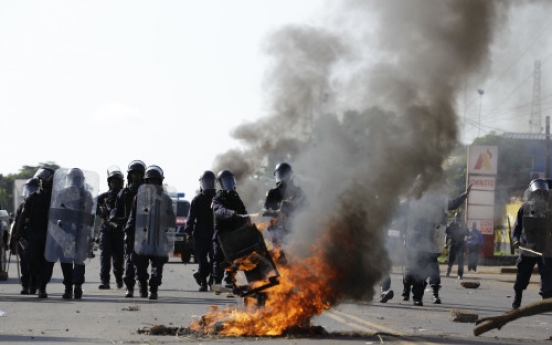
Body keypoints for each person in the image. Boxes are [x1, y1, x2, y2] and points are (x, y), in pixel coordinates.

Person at [402, 176, 470, 306]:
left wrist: (464, 195)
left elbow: (451, 204)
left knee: (427, 270)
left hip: (428, 241)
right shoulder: (411, 201)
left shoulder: (435, 200)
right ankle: (413, 294)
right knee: (413, 270)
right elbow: (399, 213)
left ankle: (419, 296)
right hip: (414, 242)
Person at [125, 165, 175, 299]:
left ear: (160, 182)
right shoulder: (138, 198)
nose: (153, 184)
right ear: (146, 182)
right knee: (140, 265)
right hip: (142, 237)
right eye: (150, 181)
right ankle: (142, 285)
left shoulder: (166, 199)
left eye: (155, 181)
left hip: (158, 238)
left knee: (157, 267)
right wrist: (128, 233)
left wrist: (168, 230)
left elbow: (171, 219)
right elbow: (132, 217)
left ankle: (154, 289)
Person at [46, 168, 96, 299]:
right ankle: (68, 287)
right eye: (73, 179)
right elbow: (55, 211)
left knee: (79, 259)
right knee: (66, 260)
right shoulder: (62, 194)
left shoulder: (87, 195)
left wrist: (90, 235)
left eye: (77, 179)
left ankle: (78, 285)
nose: (75, 182)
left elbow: (90, 214)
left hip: (81, 231)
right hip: (66, 231)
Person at [9, 167, 55, 298]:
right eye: (40, 178)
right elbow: (22, 215)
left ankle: (42, 286)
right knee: (32, 260)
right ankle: (33, 280)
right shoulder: (32, 198)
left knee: (47, 263)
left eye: (44, 178)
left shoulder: (56, 199)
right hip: (33, 233)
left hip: (50, 234)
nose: (41, 181)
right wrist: (16, 233)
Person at [510, 178, 552, 309]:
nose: (540, 197)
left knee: (548, 275)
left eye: (542, 194)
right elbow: (516, 227)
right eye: (537, 194)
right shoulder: (525, 208)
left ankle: (545, 302)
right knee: (522, 274)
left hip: (545, 247)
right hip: (527, 246)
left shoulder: (550, 209)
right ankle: (517, 299)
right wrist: (516, 239)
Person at [109, 160, 146, 298]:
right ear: (129, 175)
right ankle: (129, 287)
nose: (136, 177)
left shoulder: (148, 193)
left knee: (142, 262)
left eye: (139, 174)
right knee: (130, 260)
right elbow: (115, 211)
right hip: (129, 231)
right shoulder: (123, 193)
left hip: (145, 231)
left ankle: (143, 284)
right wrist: (114, 220)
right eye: (134, 174)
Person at [211, 169, 250, 290]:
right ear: (221, 184)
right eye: (225, 181)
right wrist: (231, 213)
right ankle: (217, 281)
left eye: (230, 181)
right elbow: (219, 210)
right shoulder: (217, 198)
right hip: (222, 233)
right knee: (218, 258)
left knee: (235, 257)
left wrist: (248, 219)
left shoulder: (236, 198)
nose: (228, 184)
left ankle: (229, 279)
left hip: (234, 233)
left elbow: (244, 212)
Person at [184, 170, 216, 292]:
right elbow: (191, 217)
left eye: (210, 182)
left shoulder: (218, 198)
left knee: (215, 259)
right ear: (202, 184)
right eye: (206, 182)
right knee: (202, 260)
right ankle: (203, 282)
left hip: (214, 233)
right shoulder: (197, 199)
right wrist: (188, 233)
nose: (208, 185)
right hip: (200, 234)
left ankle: (211, 281)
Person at [262, 162, 307, 248]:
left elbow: (307, 208)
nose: (283, 177)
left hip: (296, 226)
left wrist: (294, 207)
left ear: (290, 175)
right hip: (278, 228)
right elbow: (265, 211)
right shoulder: (272, 193)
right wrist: (277, 212)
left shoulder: (298, 191)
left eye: (285, 174)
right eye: (280, 174)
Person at [96, 167, 125, 289]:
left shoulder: (125, 195)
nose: (115, 184)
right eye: (113, 182)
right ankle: (105, 281)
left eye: (117, 182)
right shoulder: (103, 197)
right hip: (106, 229)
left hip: (120, 230)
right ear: (109, 183)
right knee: (105, 256)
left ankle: (119, 278)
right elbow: (95, 207)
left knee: (119, 256)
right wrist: (100, 212)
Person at [10, 177, 40, 294]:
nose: (31, 191)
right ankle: (25, 285)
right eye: (29, 189)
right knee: (24, 262)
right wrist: (14, 237)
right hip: (25, 236)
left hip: (37, 236)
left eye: (33, 189)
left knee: (36, 263)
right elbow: (17, 221)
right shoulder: (23, 205)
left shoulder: (42, 202)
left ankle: (35, 284)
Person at [445, 211, 469, 279]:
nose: (457, 218)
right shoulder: (452, 224)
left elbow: (467, 233)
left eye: (459, 217)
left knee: (460, 258)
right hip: (453, 241)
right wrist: (445, 243)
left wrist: (464, 231)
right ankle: (448, 271)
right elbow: (447, 233)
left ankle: (460, 274)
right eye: (456, 216)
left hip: (461, 243)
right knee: (451, 258)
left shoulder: (464, 225)